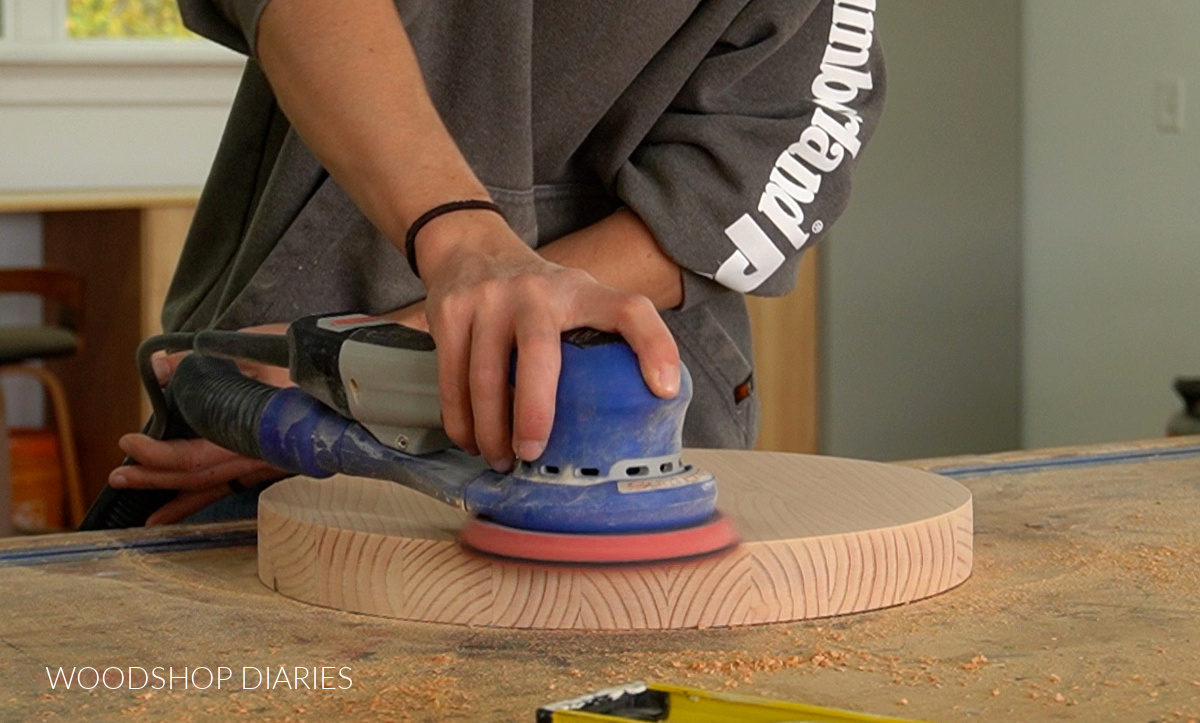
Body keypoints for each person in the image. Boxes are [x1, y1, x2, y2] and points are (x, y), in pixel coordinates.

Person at [107, 0, 885, 524]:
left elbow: (768, 152)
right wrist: (456, 249)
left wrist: (394, 355)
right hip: (282, 400)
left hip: (625, 441)